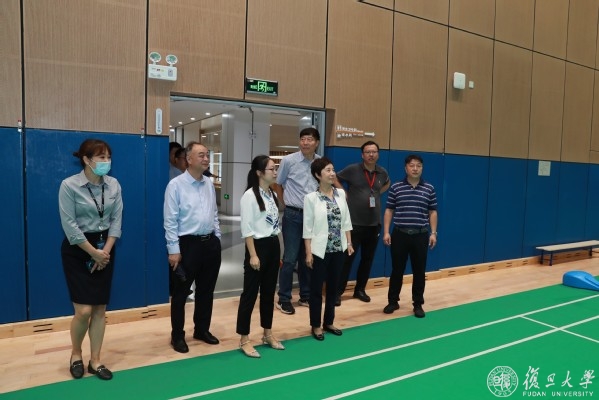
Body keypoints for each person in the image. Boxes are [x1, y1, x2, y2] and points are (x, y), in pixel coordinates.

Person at [58, 139, 123, 381]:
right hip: (78, 249)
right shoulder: (69, 185)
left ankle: (95, 360)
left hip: (105, 247)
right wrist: (93, 253)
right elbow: (70, 226)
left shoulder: (114, 185)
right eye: (101, 157)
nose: (107, 162)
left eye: (109, 157)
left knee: (99, 309)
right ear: (86, 160)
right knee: (83, 310)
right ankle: (76, 354)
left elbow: (116, 221)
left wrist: (104, 252)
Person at [164, 142, 222, 353]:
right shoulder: (176, 185)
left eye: (207, 155)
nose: (206, 159)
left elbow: (213, 214)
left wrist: (217, 237)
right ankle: (177, 336)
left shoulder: (208, 184)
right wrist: (173, 250)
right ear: (189, 159)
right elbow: (170, 220)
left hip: (210, 244)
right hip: (187, 245)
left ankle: (202, 329)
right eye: (201, 155)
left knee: (206, 291)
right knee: (181, 293)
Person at [236, 156, 285, 358]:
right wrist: (253, 255)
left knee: (268, 293)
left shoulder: (272, 193)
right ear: (259, 172)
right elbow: (247, 228)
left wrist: (278, 251)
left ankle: (267, 333)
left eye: (275, 168)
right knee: (249, 294)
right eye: (272, 169)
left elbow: (274, 224)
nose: (275, 172)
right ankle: (244, 339)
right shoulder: (249, 196)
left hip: (273, 245)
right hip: (257, 247)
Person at [334, 141, 390, 306]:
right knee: (347, 259)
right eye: (368, 152)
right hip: (354, 224)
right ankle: (337, 292)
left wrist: (377, 192)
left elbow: (387, 183)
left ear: (378, 154)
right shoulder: (353, 169)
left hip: (373, 224)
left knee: (367, 259)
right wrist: (342, 191)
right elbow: (334, 178)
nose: (371, 154)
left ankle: (360, 289)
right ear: (362, 155)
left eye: (374, 152)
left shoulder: (382, 172)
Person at [303, 157, 353, 340]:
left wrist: (349, 243)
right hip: (319, 251)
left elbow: (346, 221)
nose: (332, 173)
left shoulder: (340, 193)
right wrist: (308, 252)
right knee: (316, 290)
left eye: (333, 170)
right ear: (318, 175)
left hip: (338, 249)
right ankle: (316, 325)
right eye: (328, 170)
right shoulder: (311, 198)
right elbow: (307, 228)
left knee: (333, 288)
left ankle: (329, 322)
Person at [382, 154, 438, 318]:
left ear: (422, 168)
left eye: (418, 165)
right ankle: (393, 301)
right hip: (400, 234)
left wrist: (433, 233)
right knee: (397, 270)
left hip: (421, 235)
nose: (415, 168)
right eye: (412, 165)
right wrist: (386, 232)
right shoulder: (396, 187)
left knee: (419, 271)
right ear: (405, 168)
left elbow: (432, 212)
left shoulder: (429, 188)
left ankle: (418, 304)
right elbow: (389, 210)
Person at [273, 127, 321, 315]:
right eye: (302, 139)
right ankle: (284, 298)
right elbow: (278, 183)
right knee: (290, 258)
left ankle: (305, 295)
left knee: (307, 256)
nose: (305, 142)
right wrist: (285, 203)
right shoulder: (289, 160)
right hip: (293, 215)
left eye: (309, 139)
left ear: (316, 143)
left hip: (313, 216)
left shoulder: (320, 162)